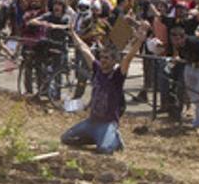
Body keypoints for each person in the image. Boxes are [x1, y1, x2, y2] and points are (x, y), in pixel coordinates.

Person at [60, 19, 149, 153]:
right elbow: (84, 49)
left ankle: (114, 139)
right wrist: (73, 33)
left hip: (107, 123)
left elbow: (129, 57)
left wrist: (140, 41)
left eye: (107, 58)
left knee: (105, 150)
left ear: (114, 61)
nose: (103, 60)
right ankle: (97, 138)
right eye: (102, 57)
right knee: (66, 138)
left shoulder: (117, 75)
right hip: (91, 121)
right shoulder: (97, 69)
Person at [166, 24, 199, 129]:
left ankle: (198, 122)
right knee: (190, 91)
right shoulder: (176, 44)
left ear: (182, 37)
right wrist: (176, 58)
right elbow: (177, 52)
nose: (175, 42)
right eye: (173, 39)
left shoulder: (193, 41)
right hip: (190, 66)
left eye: (177, 39)